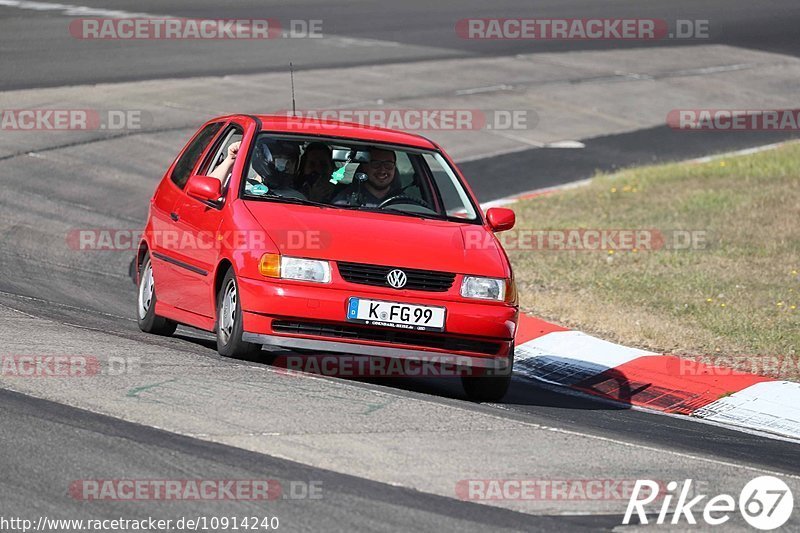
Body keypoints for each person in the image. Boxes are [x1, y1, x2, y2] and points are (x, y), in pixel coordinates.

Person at [332, 147, 400, 207]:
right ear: (365, 167)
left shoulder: (405, 202)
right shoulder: (344, 202)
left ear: (394, 168)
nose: (382, 170)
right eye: (376, 164)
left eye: (388, 165)